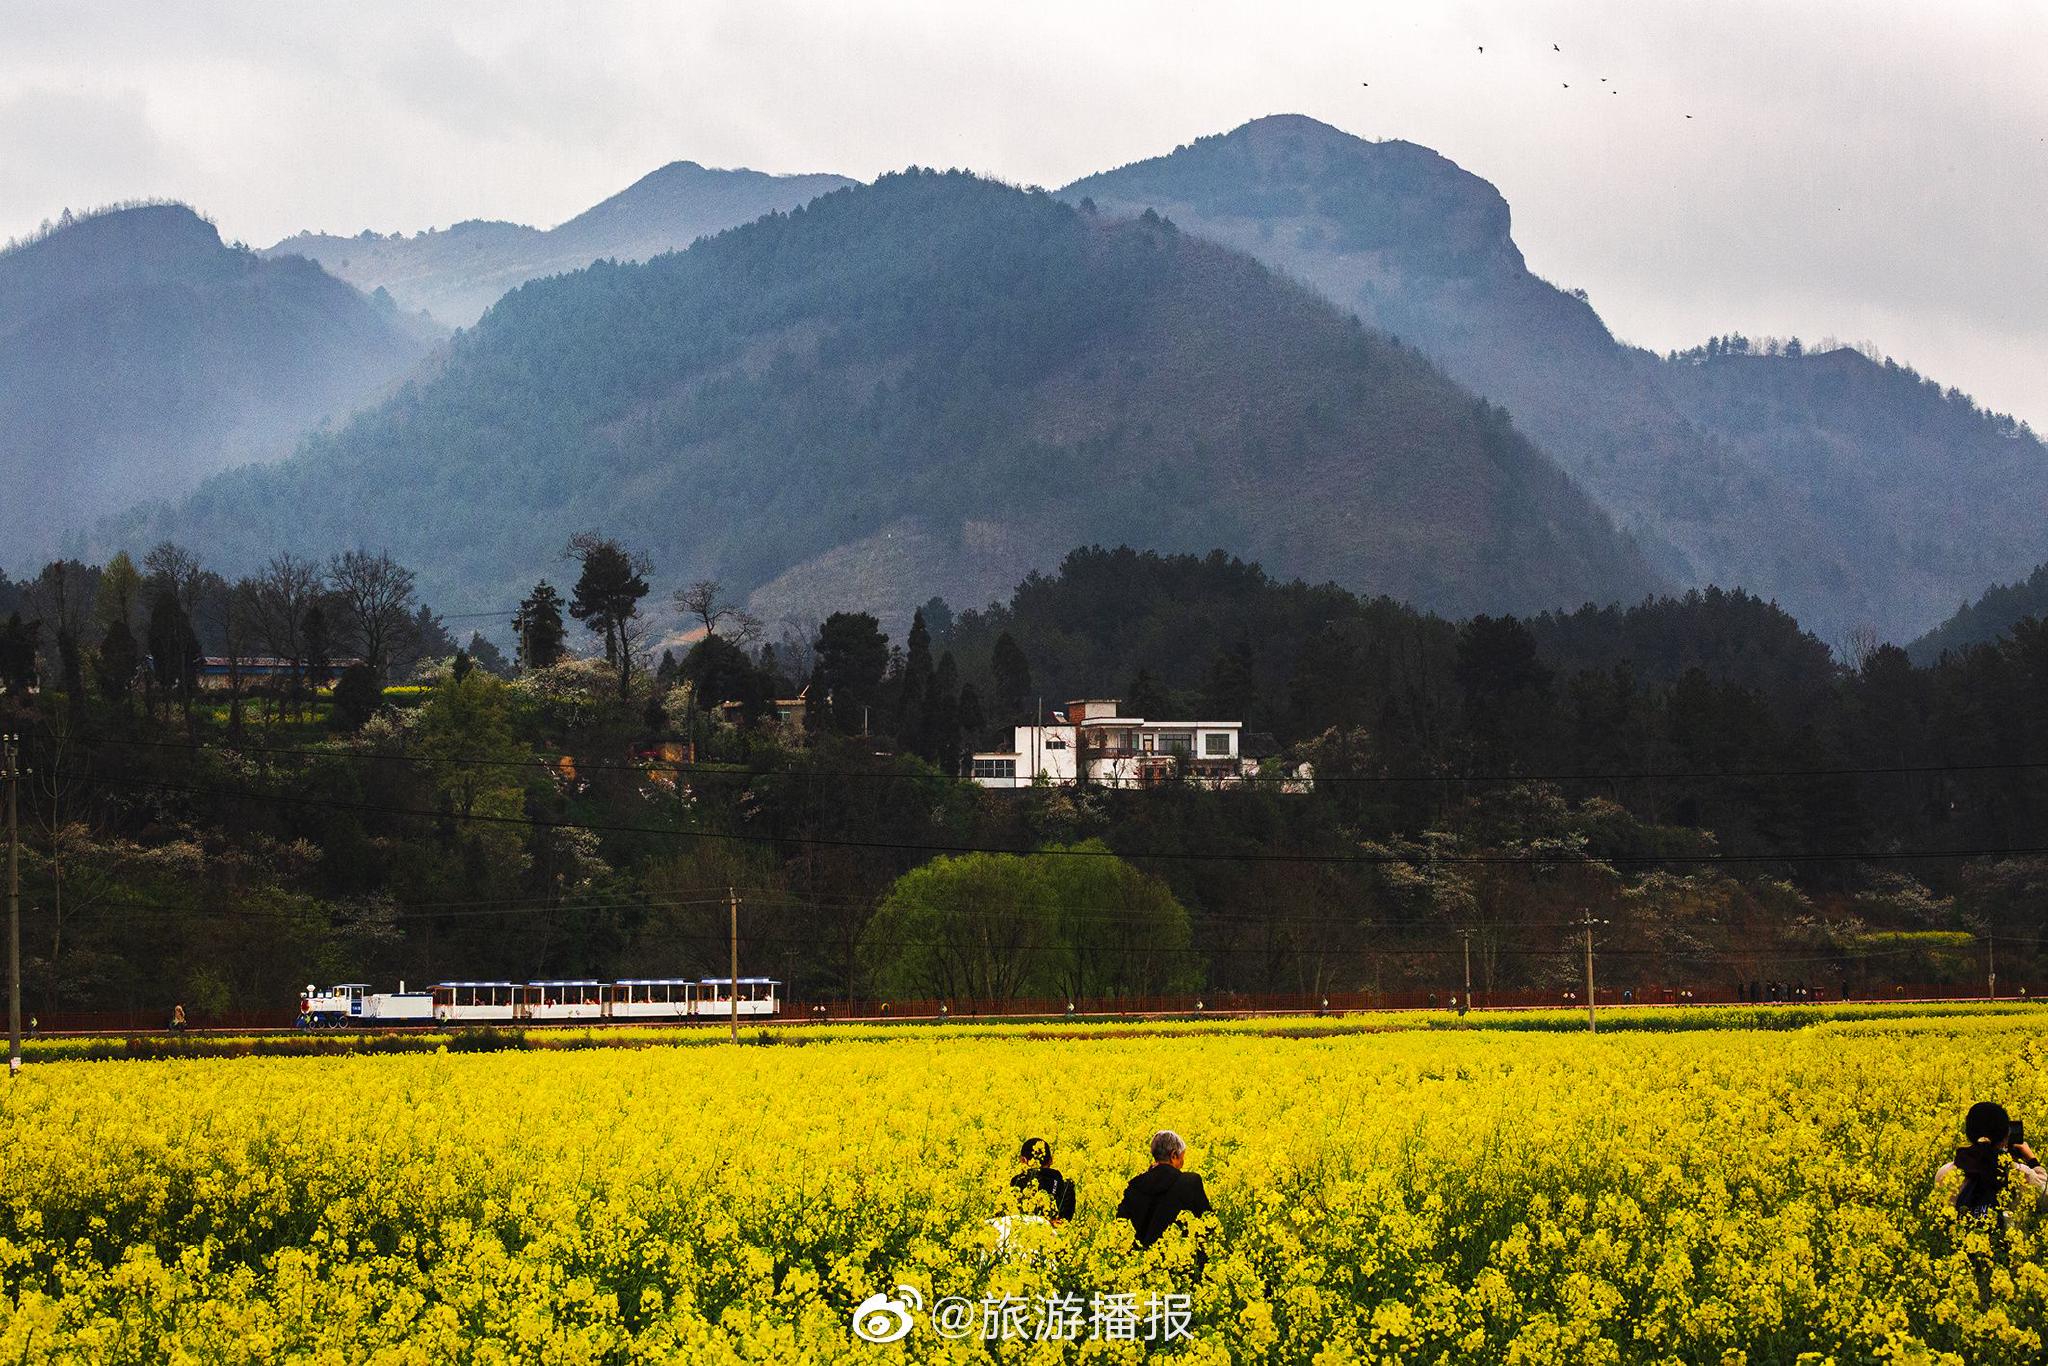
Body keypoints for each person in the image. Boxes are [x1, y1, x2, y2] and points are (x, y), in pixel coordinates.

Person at [1936, 1101, 2048, 1218]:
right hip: (2007, 1236)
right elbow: (2045, 1198)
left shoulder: (1945, 1174)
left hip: (1957, 1235)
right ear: (2006, 1136)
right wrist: (2032, 1161)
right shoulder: (2019, 1174)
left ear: (1968, 1133)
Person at [1117, 1130, 1213, 1249]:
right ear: (1173, 1155)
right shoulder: (1189, 1182)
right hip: (1182, 1261)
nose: (1182, 1164)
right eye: (1182, 1158)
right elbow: (1209, 1223)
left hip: (1140, 1262)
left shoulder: (1134, 1185)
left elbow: (1120, 1227)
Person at [1010, 1137, 1077, 1222]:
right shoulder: (1066, 1186)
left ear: (1023, 1160)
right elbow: (1065, 1220)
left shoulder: (1017, 1182)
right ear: (1051, 1160)